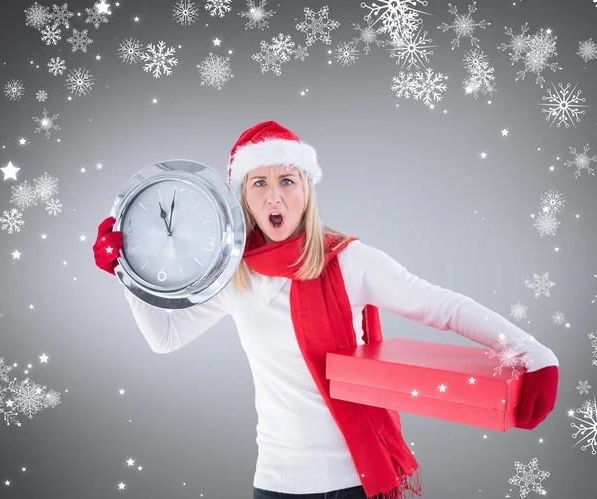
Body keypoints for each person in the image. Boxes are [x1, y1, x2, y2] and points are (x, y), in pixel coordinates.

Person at [93, 121, 560, 499]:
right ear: (244, 199)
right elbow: (164, 338)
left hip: (354, 481)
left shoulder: (351, 261)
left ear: (307, 191)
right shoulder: (233, 277)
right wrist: (128, 270)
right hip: (274, 482)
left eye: (286, 180)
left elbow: (443, 307)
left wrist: (534, 353)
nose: (274, 195)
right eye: (259, 182)